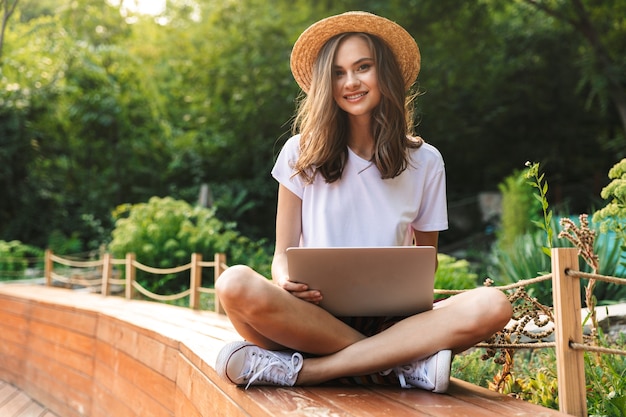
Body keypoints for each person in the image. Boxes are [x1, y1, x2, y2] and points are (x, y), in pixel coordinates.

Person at [214, 11, 512, 393]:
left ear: (384, 73)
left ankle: (306, 372)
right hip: (311, 317)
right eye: (338, 72)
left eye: (363, 67)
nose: (351, 82)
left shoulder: (426, 161)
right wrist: (284, 279)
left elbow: (426, 262)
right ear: (326, 82)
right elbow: (281, 254)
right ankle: (400, 366)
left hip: (395, 322)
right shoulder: (298, 152)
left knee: (493, 305)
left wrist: (404, 301)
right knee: (234, 282)